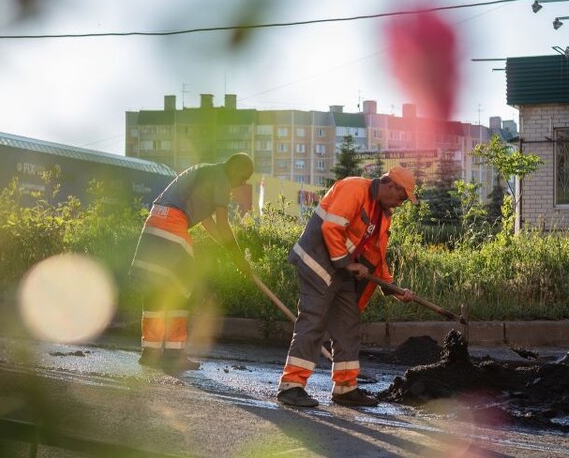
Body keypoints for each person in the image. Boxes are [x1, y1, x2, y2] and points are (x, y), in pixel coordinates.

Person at [276, 166, 419, 408]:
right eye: (401, 197)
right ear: (391, 185)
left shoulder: (382, 215)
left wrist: (394, 290)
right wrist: (347, 263)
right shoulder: (354, 188)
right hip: (318, 263)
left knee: (348, 324)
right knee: (314, 322)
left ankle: (345, 388)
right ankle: (291, 386)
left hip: (341, 271)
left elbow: (376, 256)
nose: (400, 203)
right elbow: (331, 228)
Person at [130, 153, 255, 373]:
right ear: (234, 168)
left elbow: (207, 221)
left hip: (154, 221)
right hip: (173, 226)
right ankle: (173, 354)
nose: (242, 183)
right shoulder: (222, 180)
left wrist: (227, 250)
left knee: (154, 289)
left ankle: (149, 352)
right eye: (243, 177)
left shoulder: (206, 171)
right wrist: (238, 258)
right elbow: (223, 224)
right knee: (184, 291)